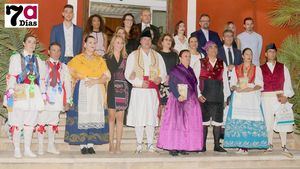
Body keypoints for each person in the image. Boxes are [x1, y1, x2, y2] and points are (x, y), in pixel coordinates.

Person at [64, 36, 111, 154]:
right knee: (82, 115)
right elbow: (68, 73)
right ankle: (82, 144)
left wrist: (95, 81)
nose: (92, 45)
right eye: (90, 42)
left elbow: (106, 75)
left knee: (93, 115)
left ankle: (90, 143)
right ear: (84, 44)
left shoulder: (100, 60)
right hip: (82, 89)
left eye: (94, 43)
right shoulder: (77, 59)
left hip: (96, 90)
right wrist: (81, 79)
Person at [124, 28, 167, 153]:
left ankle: (150, 144)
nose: (147, 42)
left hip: (152, 91)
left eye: (149, 39)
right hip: (139, 90)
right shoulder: (133, 55)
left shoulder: (157, 55)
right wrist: (139, 82)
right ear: (140, 41)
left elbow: (163, 72)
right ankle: (138, 144)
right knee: (139, 116)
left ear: (151, 41)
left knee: (151, 117)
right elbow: (128, 73)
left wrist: (160, 78)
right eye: (144, 39)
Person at [4, 34, 46, 158]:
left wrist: (43, 95)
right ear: (24, 43)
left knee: (30, 121)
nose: (32, 44)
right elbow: (12, 77)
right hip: (19, 90)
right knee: (17, 120)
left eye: (34, 42)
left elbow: (42, 79)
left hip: (34, 92)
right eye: (29, 42)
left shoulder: (39, 60)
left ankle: (27, 148)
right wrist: (10, 94)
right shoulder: (16, 58)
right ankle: (17, 149)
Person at [157, 50, 203, 156]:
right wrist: (178, 96)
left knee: (186, 125)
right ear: (180, 58)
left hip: (190, 100)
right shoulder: (175, 70)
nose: (187, 58)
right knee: (176, 123)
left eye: (189, 56)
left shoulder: (191, 70)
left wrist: (195, 98)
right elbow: (172, 84)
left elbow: (194, 85)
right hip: (177, 100)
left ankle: (183, 146)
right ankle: (173, 147)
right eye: (185, 56)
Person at [224, 48, 268, 154]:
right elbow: (233, 83)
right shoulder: (236, 68)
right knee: (239, 120)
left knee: (250, 120)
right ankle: (240, 145)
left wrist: (251, 89)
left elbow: (260, 83)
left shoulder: (257, 68)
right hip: (239, 96)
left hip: (251, 97)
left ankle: (247, 145)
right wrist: (236, 88)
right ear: (243, 56)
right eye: (247, 54)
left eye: (251, 54)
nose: (249, 56)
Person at [193, 41, 230, 152]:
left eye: (215, 48)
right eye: (211, 48)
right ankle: (202, 146)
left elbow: (225, 82)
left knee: (217, 122)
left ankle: (217, 145)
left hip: (218, 96)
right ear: (206, 50)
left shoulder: (222, 63)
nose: (213, 50)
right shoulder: (199, 62)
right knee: (203, 123)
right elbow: (194, 81)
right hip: (204, 97)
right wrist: (198, 95)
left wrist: (225, 97)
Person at [36, 42, 72, 155]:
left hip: (58, 98)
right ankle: (40, 146)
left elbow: (67, 84)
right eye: (53, 50)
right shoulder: (43, 65)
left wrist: (68, 100)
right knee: (41, 121)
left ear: (60, 53)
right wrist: (42, 96)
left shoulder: (64, 67)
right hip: (45, 98)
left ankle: (51, 146)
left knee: (53, 122)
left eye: (58, 50)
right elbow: (40, 81)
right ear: (48, 52)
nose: (56, 53)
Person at [261, 43, 295, 158]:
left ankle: (284, 146)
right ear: (266, 54)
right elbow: (258, 85)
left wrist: (286, 95)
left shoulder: (282, 67)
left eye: (274, 51)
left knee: (282, 121)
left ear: (276, 53)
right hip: (266, 98)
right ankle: (269, 145)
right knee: (268, 122)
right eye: (270, 51)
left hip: (280, 97)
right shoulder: (260, 69)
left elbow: (287, 82)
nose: (272, 53)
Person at [104, 35, 129, 154]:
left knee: (120, 119)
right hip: (111, 88)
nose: (119, 45)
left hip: (122, 90)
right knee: (111, 118)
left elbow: (129, 73)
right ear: (113, 43)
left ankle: (118, 144)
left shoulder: (126, 58)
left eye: (122, 43)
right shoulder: (106, 57)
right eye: (117, 42)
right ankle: (111, 144)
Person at [157, 34, 179, 118]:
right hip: (160, 83)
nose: (168, 41)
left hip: (172, 83)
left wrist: (170, 77)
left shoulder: (175, 55)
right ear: (162, 42)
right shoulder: (157, 54)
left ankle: (169, 128)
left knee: (171, 106)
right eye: (166, 40)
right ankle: (160, 127)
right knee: (160, 106)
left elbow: (177, 69)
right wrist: (162, 77)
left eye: (170, 40)